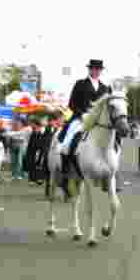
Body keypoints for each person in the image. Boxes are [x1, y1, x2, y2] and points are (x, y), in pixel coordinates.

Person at [57, 60, 111, 192]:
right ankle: (65, 173)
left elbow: (107, 108)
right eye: (94, 69)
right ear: (90, 70)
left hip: (98, 122)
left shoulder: (105, 88)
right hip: (81, 119)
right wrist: (81, 114)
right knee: (68, 142)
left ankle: (112, 173)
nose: (96, 71)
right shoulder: (80, 84)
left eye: (98, 69)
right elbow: (72, 104)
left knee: (113, 139)